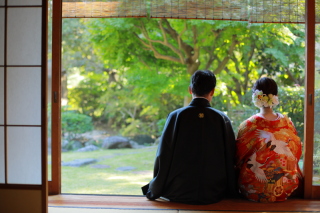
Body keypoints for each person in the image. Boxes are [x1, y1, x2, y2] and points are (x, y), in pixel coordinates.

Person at [142, 70, 238, 204]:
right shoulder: (222, 118)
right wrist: (231, 188)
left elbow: (163, 154)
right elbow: (230, 157)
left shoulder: (176, 116)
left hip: (178, 190)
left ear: (190, 89)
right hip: (213, 191)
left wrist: (157, 185)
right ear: (213, 91)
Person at [236, 77, 302, 203]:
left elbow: (238, 157)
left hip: (251, 190)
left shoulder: (248, 125)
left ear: (256, 96)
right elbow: (296, 153)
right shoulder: (288, 124)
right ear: (276, 96)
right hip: (286, 188)